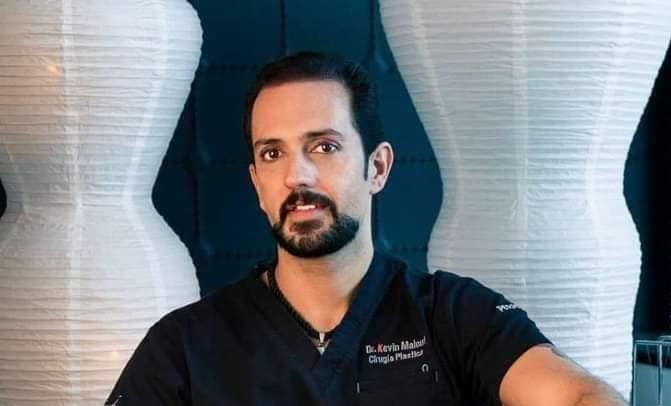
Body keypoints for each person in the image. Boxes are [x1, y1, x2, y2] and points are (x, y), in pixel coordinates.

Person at [106, 51, 628, 406]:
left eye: (324, 147)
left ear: (377, 167)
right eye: (272, 154)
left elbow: (580, 397)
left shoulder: (455, 317)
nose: (296, 176)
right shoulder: (185, 347)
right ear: (258, 185)